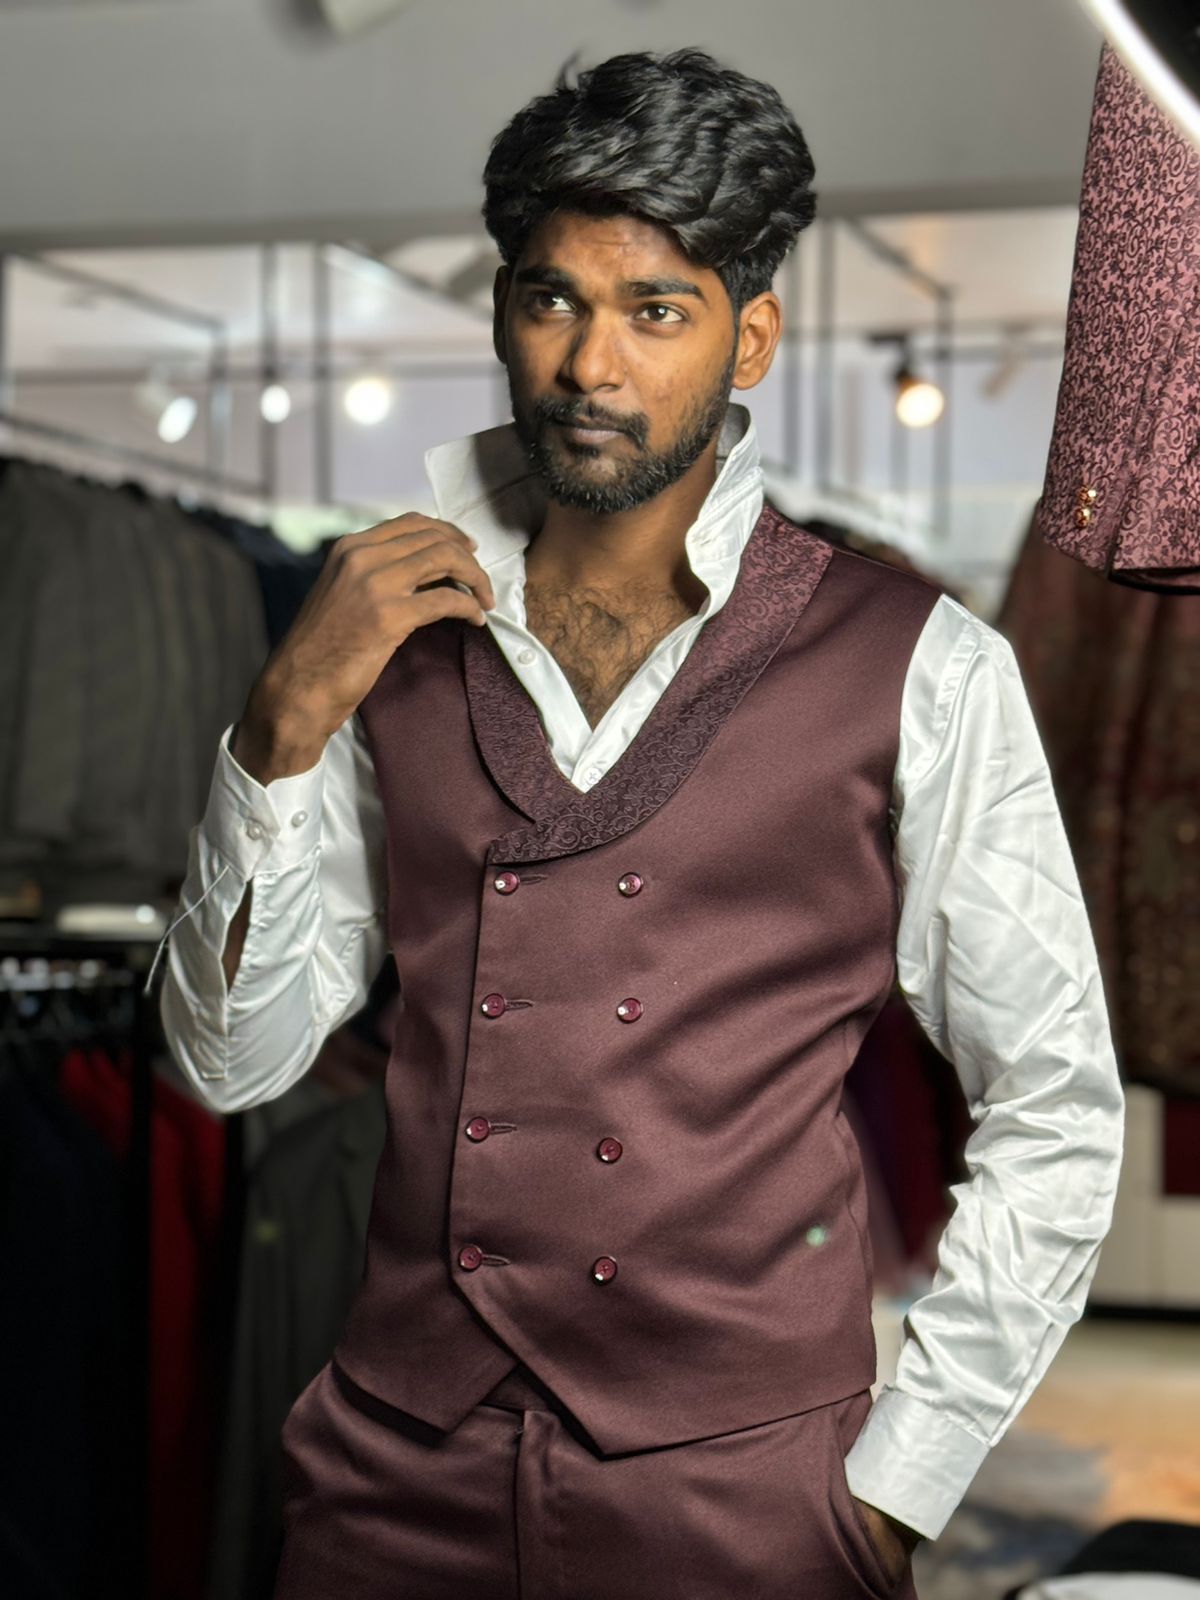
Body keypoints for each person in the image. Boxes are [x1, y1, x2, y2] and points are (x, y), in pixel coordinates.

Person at [159, 47, 1125, 1600]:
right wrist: (271, 737)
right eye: (551, 302)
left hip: (747, 1495)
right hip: (390, 1485)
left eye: (653, 312)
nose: (590, 368)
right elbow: (228, 1066)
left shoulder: (923, 665)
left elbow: (1059, 1111)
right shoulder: (375, 633)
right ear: (499, 312)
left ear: (751, 337)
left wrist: (890, 1492)